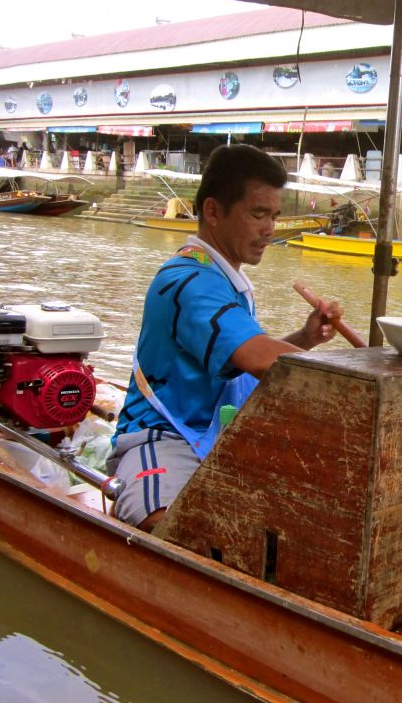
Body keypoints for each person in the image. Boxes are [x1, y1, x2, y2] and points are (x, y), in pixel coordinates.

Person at [108, 145, 344, 533]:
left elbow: (246, 361)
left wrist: (305, 337)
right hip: (165, 438)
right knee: (172, 526)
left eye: (274, 216)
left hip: (215, 440)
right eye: (258, 215)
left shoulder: (222, 280)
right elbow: (257, 357)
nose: (270, 229)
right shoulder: (187, 280)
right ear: (214, 212)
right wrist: (357, 376)